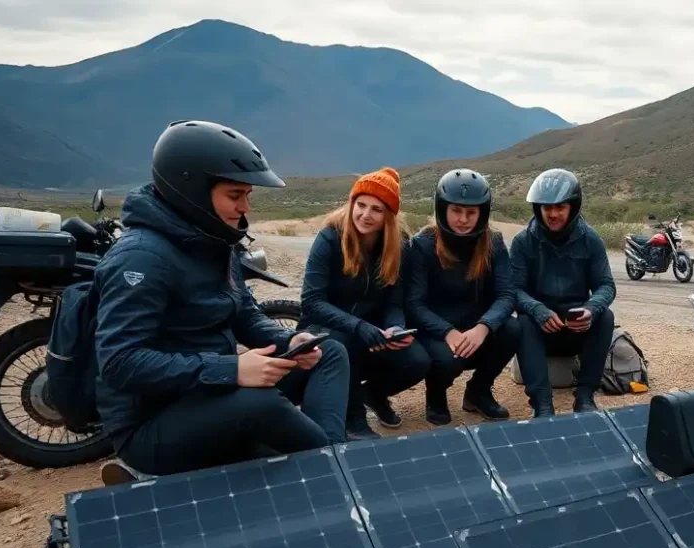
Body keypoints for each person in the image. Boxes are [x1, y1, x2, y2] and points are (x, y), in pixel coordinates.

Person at [94, 120, 351, 485]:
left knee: (332, 353)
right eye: (235, 195)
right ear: (192, 191)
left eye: (248, 195)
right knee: (263, 406)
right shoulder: (140, 258)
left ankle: (328, 456)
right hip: (153, 424)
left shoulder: (214, 240)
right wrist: (231, 370)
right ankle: (335, 476)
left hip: (214, 394)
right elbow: (120, 363)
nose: (245, 208)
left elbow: (244, 313)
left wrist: (288, 342)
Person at [298, 167, 431, 439]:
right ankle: (352, 417)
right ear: (351, 204)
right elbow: (312, 301)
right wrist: (359, 326)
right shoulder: (330, 238)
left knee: (417, 361)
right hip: (326, 328)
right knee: (343, 343)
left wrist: (395, 327)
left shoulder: (398, 245)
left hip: (371, 328)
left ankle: (373, 394)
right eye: (361, 205)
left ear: (389, 216)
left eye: (377, 209)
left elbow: (395, 301)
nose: (366, 215)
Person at [405, 169, 520, 425]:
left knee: (513, 328)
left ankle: (478, 391)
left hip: (475, 327)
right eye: (456, 210)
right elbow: (414, 303)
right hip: (436, 331)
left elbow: (506, 295)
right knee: (448, 358)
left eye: (471, 212)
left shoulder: (494, 243)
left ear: (483, 212)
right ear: (442, 208)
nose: (463, 219)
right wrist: (448, 332)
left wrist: (483, 327)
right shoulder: (423, 244)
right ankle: (435, 394)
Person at [510, 168, 616, 417]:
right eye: (547, 208)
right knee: (521, 322)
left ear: (573, 206)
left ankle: (585, 396)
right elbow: (513, 289)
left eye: (560, 207)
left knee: (606, 317)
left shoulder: (591, 240)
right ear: (538, 208)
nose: (553, 214)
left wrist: (590, 310)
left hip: (576, 326)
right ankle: (541, 403)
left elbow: (606, 285)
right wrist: (537, 310)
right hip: (540, 327)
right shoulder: (522, 242)